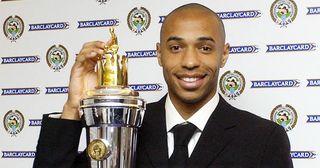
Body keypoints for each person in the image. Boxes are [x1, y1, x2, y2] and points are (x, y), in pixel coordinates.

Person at [33, 3, 293, 168]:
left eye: (204, 48)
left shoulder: (263, 139)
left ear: (223, 54)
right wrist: (72, 108)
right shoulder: (124, 127)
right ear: (159, 54)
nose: (190, 62)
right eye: (176, 48)